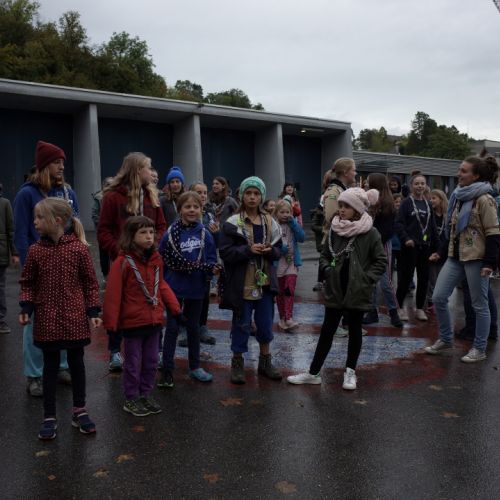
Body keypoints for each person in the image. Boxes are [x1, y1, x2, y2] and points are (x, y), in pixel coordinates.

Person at [19, 198, 101, 439]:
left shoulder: (78, 249)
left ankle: (79, 410)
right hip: (46, 317)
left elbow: (90, 283)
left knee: (77, 364)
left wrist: (93, 311)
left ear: (57, 221)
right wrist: (26, 307)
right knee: (50, 367)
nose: (35, 222)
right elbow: (27, 283)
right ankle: (49, 416)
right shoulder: (35, 251)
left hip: (75, 316)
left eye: (39, 217)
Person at [287, 188, 386, 390]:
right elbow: (325, 254)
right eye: (340, 205)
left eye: (346, 206)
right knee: (327, 331)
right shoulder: (335, 228)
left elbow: (380, 261)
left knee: (355, 331)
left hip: (358, 290)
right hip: (335, 289)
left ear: (357, 209)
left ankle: (350, 372)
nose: (341, 209)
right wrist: (327, 270)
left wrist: (366, 279)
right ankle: (313, 372)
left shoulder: (370, 232)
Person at [14, 140, 79, 396]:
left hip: (65, 267)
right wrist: (29, 268)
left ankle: (61, 367)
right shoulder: (27, 194)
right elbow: (21, 234)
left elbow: (75, 227)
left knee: (63, 318)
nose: (62, 166)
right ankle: (34, 375)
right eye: (56, 162)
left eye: (63, 162)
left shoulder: (67, 193)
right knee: (34, 322)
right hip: (39, 267)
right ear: (44, 165)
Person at [103, 216, 181, 416]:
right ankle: (131, 397)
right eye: (143, 232)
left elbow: (161, 285)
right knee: (133, 363)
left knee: (151, 361)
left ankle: (145, 394)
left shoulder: (156, 260)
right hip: (133, 323)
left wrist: (175, 309)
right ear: (131, 236)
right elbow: (113, 293)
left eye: (151, 232)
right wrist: (111, 323)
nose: (149, 236)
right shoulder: (123, 262)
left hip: (153, 321)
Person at [426, 155, 500, 362]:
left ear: (476, 176)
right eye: (459, 169)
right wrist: (441, 251)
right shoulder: (459, 196)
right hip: (455, 256)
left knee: (479, 305)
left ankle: (479, 348)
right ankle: (446, 339)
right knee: (439, 297)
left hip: (476, 258)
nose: (459, 174)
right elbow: (454, 230)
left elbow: (494, 233)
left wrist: (489, 263)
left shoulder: (485, 199)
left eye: (464, 171)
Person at [98, 152, 166, 372]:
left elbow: (161, 226)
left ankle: (156, 350)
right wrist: (119, 250)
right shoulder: (113, 197)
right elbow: (104, 231)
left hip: (148, 262)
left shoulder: (152, 196)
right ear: (137, 170)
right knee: (119, 304)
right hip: (123, 263)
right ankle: (115, 350)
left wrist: (153, 244)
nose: (152, 172)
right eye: (148, 167)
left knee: (152, 301)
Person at [219, 176, 283, 385]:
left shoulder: (270, 222)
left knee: (265, 323)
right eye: (248, 193)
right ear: (242, 196)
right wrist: (247, 250)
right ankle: (237, 363)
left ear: (262, 196)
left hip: (265, 283)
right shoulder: (232, 223)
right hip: (242, 283)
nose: (252, 197)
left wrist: (270, 251)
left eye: (256, 193)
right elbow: (225, 252)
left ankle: (265, 362)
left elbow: (279, 250)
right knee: (242, 323)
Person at [159, 191, 219, 387]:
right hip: (174, 288)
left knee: (193, 328)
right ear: (180, 210)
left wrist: (211, 270)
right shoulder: (170, 234)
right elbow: (161, 258)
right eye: (187, 206)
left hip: (196, 288)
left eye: (195, 207)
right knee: (172, 328)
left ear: (201, 209)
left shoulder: (205, 234)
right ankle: (167, 368)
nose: (192, 210)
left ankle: (195, 367)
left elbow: (211, 258)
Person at [395, 172, 438, 322]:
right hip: (409, 247)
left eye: (422, 183)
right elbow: (399, 223)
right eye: (417, 183)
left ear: (426, 186)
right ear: (411, 186)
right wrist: (406, 238)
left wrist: (437, 249)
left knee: (424, 278)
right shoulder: (406, 203)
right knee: (406, 278)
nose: (420, 186)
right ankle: (399, 307)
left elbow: (432, 227)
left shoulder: (428, 204)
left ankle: (420, 308)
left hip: (424, 247)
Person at [362, 173, 402, 327]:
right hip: (370, 244)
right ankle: (372, 311)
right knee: (370, 279)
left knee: (385, 281)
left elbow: (388, 229)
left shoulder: (386, 203)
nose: (366, 184)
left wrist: (376, 243)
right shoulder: (368, 200)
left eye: (368, 181)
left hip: (382, 245)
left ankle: (393, 312)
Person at [274, 199, 305, 331]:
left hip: (291, 262)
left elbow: (302, 238)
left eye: (288, 212)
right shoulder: (273, 225)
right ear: (276, 213)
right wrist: (280, 249)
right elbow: (270, 244)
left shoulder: (293, 224)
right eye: (282, 212)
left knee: (289, 289)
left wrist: (294, 224)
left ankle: (289, 318)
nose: (285, 215)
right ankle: (282, 318)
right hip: (278, 263)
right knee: (280, 292)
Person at [0, 183, 19, 333]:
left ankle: (0, 319)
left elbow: (11, 229)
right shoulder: (5, 203)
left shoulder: (5, 203)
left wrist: (14, 252)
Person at [426, 189, 448, 312]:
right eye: (430, 198)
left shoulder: (447, 216)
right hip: (431, 251)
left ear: (441, 199)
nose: (431, 200)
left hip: (443, 252)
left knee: (441, 278)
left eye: (434, 198)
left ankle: (438, 299)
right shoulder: (430, 215)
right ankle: (430, 301)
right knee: (432, 278)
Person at [91, 177, 113, 284]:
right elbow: (95, 215)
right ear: (103, 186)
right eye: (108, 185)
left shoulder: (117, 197)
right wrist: (104, 224)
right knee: (104, 254)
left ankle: (116, 274)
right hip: (103, 231)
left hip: (115, 232)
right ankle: (106, 275)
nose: (110, 187)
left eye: (112, 185)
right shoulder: (99, 198)